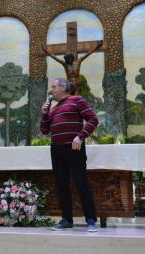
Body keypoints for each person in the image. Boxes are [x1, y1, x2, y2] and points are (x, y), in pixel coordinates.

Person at [40, 78, 99, 232]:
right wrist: (45, 114)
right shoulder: (52, 109)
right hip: (56, 149)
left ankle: (91, 220)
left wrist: (80, 136)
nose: (51, 90)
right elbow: (44, 130)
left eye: (53, 86)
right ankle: (67, 219)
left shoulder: (77, 100)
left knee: (81, 183)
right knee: (61, 185)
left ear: (63, 87)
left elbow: (93, 119)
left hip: (74, 148)